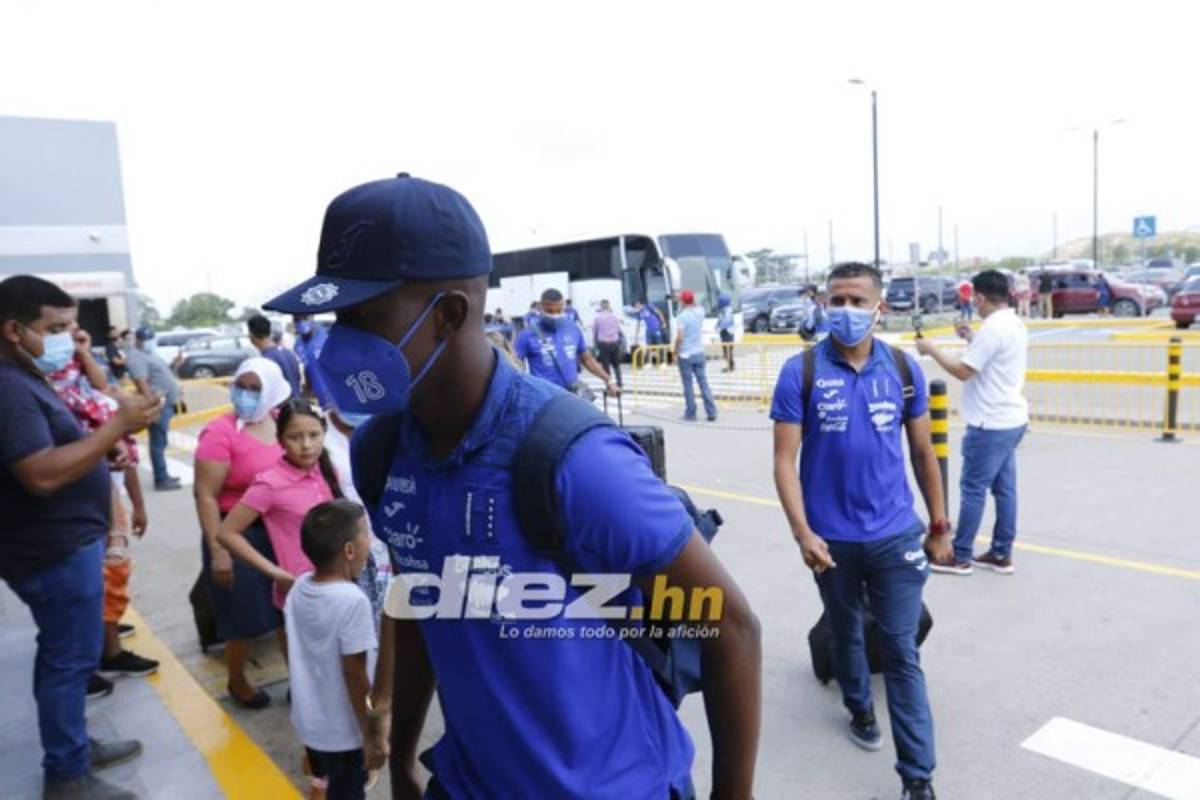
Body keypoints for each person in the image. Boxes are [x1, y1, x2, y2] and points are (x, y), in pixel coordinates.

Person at [264, 174, 761, 799]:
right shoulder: (381, 451)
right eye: (338, 317)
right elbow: (419, 600)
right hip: (471, 782)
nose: (341, 341)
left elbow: (733, 629)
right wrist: (401, 755)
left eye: (365, 316)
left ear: (448, 314)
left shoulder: (574, 460)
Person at [771, 262, 949, 800]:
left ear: (879, 308)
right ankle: (857, 707)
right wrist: (802, 532)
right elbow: (784, 459)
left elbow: (924, 451)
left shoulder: (902, 367)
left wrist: (939, 526)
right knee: (845, 628)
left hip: (896, 535)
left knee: (900, 651)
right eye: (836, 299)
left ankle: (918, 776)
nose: (843, 310)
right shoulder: (799, 371)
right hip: (831, 540)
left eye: (855, 300)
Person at [0, 275, 161, 800]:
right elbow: (41, 472)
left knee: (69, 655)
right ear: (14, 330)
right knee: (68, 659)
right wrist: (116, 430)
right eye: (58, 328)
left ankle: (74, 745)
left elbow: (56, 448)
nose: (70, 337)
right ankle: (68, 776)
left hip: (62, 544)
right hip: (52, 550)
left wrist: (99, 450)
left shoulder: (23, 376)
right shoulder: (7, 388)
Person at [45, 320, 159, 682]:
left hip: (103, 497)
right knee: (96, 580)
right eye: (58, 327)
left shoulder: (91, 391)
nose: (70, 334)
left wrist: (81, 350)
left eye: (75, 327)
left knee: (106, 577)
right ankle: (96, 655)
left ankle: (104, 640)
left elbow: (125, 459)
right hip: (81, 506)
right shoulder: (46, 395)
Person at [917, 269, 1029, 576]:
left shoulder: (994, 328)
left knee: (973, 488)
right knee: (1004, 489)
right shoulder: (1012, 322)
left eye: (973, 299)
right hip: (1011, 418)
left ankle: (960, 554)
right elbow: (991, 356)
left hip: (989, 423)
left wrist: (931, 350)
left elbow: (964, 370)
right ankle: (1001, 552)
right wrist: (970, 337)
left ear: (979, 297)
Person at [193, 358, 291, 709]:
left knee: (288, 610)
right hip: (235, 533)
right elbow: (205, 495)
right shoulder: (219, 433)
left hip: (279, 530)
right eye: (241, 386)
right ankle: (237, 680)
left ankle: (300, 679)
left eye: (255, 388)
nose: (245, 395)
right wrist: (218, 550)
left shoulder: (283, 424)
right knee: (244, 616)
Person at [285, 500, 384, 800]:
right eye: (366, 533)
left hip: (310, 719)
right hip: (344, 731)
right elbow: (355, 673)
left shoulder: (300, 587)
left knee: (328, 781)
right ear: (349, 551)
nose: (371, 540)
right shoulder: (352, 600)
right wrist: (371, 732)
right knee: (348, 791)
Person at [217, 399, 340, 613]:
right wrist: (276, 574)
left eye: (314, 435)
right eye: (295, 437)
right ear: (280, 441)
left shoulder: (327, 471)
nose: (306, 445)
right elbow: (227, 533)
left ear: (324, 434)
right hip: (301, 593)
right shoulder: (270, 484)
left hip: (338, 586)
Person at [514, 288, 618, 399]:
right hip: (544, 399)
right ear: (540, 308)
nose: (554, 315)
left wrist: (609, 380)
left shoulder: (572, 328)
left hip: (571, 397)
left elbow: (588, 360)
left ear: (563, 308)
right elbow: (516, 366)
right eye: (549, 311)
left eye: (559, 311)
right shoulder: (527, 335)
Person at [125, 326, 182, 491]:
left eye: (150, 339)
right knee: (158, 443)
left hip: (166, 403)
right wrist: (153, 407)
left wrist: (175, 365)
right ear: (138, 340)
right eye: (145, 339)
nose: (149, 342)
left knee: (161, 442)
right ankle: (161, 479)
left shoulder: (150, 354)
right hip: (158, 405)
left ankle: (163, 475)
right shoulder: (136, 357)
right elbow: (141, 383)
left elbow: (162, 374)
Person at [675, 289, 717, 422]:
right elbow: (696, 304)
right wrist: (686, 298)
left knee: (688, 385)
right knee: (703, 383)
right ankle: (711, 412)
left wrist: (675, 351)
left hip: (686, 354)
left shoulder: (681, 316)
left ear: (682, 301)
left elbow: (680, 337)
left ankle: (691, 412)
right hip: (699, 352)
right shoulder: (700, 312)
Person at [248, 314, 302, 397]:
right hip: (298, 405)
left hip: (283, 408)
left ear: (252, 335)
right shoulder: (288, 353)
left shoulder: (266, 361)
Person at [293, 314, 334, 407]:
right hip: (322, 402)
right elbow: (309, 371)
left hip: (340, 399)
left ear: (312, 316)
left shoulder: (327, 336)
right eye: (297, 319)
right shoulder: (298, 344)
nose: (300, 322)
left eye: (304, 317)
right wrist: (303, 403)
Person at [592, 298, 624, 387]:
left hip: (603, 344)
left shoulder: (597, 318)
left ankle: (609, 383)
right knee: (616, 364)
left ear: (601, 306)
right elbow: (619, 331)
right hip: (614, 343)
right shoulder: (614, 317)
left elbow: (595, 332)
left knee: (605, 365)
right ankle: (619, 382)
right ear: (609, 306)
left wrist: (594, 344)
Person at [633, 299, 668, 365]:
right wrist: (636, 335)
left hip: (656, 328)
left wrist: (663, 323)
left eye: (635, 306)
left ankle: (663, 361)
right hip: (648, 330)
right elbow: (638, 324)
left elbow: (659, 312)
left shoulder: (649, 306)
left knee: (659, 344)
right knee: (648, 346)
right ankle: (649, 362)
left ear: (638, 303)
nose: (636, 308)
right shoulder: (639, 313)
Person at [717, 292, 735, 372]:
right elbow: (720, 320)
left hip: (727, 333)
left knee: (727, 351)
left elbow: (726, 322)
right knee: (726, 351)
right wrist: (717, 325)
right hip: (725, 332)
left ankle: (729, 367)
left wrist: (719, 327)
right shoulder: (723, 310)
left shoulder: (727, 311)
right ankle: (730, 366)